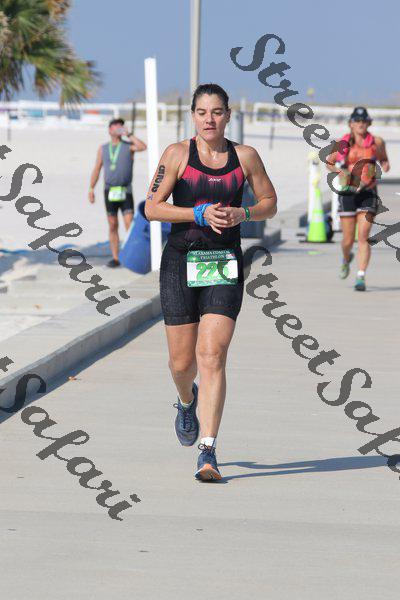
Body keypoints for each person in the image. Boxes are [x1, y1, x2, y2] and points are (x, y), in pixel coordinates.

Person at [145, 83, 277, 481]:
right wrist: (197, 214)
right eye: (202, 112)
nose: (209, 119)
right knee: (182, 364)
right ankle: (187, 401)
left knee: (212, 355)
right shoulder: (176, 155)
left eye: (217, 112)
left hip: (223, 262)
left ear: (228, 116)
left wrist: (244, 214)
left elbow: (269, 202)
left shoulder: (245, 157)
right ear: (193, 116)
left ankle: (208, 451)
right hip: (180, 262)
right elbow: (152, 207)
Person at [327, 107, 390, 291]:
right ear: (351, 124)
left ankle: (361, 276)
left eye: (364, 120)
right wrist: (341, 172)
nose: (361, 124)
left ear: (368, 123)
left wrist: (384, 165)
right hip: (348, 192)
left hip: (368, 192)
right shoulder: (343, 142)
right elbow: (329, 162)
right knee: (347, 240)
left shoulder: (376, 142)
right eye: (357, 120)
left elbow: (384, 159)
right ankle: (346, 258)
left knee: (363, 236)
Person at [89, 118, 147, 267]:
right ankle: (116, 258)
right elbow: (97, 169)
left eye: (121, 125)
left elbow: (143, 147)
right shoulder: (103, 148)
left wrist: (129, 134)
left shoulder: (129, 146)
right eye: (115, 126)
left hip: (125, 190)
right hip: (109, 191)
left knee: (129, 224)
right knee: (113, 224)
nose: (118, 127)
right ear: (109, 130)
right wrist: (91, 188)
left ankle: (130, 255)